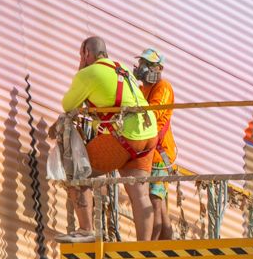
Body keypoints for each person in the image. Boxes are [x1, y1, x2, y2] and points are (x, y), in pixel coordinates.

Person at [57, 36, 157, 242]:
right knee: (140, 194)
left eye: (81, 55)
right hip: (148, 133)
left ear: (86, 53)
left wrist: (81, 70)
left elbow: (68, 104)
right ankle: (144, 247)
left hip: (125, 135)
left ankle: (86, 230)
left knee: (78, 171)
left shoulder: (89, 73)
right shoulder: (122, 69)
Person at [133, 48, 178, 240]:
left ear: (159, 67)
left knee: (155, 200)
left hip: (161, 153)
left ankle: (151, 246)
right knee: (160, 205)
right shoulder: (143, 89)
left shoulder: (163, 87)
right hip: (150, 151)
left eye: (147, 64)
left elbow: (154, 112)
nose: (142, 68)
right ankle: (169, 247)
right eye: (142, 63)